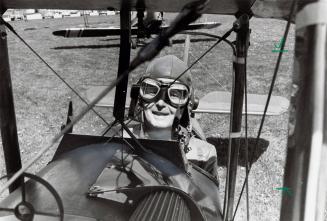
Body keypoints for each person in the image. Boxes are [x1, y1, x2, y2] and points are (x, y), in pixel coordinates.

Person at [131, 55, 218, 179]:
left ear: (189, 103)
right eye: (151, 90)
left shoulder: (203, 154)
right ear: (139, 97)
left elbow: (208, 197)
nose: (160, 103)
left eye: (175, 94)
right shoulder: (118, 140)